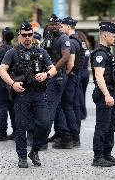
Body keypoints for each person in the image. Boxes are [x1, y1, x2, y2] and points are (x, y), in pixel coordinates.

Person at [0, 22, 57, 168]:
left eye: (30, 35)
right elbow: (2, 70)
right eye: (24, 35)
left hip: (38, 94)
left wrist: (46, 74)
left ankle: (35, 151)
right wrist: (12, 83)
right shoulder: (12, 52)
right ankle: (22, 156)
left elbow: (53, 69)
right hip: (22, 94)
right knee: (21, 127)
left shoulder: (41, 52)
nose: (27, 38)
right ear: (19, 36)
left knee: (45, 124)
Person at [91, 22, 115, 167]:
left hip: (111, 93)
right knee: (102, 127)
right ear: (105, 35)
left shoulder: (107, 52)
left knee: (111, 126)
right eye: (113, 36)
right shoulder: (99, 54)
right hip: (104, 95)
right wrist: (107, 95)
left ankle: (107, 154)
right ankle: (98, 158)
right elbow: (99, 76)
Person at [51, 16, 81, 149]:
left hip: (69, 78)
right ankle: (65, 135)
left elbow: (70, 64)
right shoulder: (77, 39)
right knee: (69, 107)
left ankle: (72, 137)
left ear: (69, 27)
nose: (60, 28)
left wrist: (64, 75)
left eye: (62, 26)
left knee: (66, 107)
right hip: (75, 77)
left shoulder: (70, 41)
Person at [42, 14, 71, 146]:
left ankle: (41, 141)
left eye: (56, 24)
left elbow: (66, 57)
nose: (54, 26)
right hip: (49, 75)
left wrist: (51, 71)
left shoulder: (63, 37)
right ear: (48, 25)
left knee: (49, 107)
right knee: (57, 107)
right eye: (51, 24)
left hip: (57, 76)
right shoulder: (48, 37)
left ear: (60, 25)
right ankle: (65, 136)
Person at [0, 27, 15, 141]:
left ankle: (3, 133)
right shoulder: (16, 48)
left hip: (1, 82)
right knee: (13, 108)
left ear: (3, 37)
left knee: (2, 108)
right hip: (13, 82)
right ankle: (15, 132)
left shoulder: (1, 49)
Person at [77, 31, 92, 120]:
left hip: (79, 71)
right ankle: (84, 113)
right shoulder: (87, 48)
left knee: (79, 95)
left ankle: (81, 114)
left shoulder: (77, 46)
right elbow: (89, 62)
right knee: (83, 94)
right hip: (86, 72)